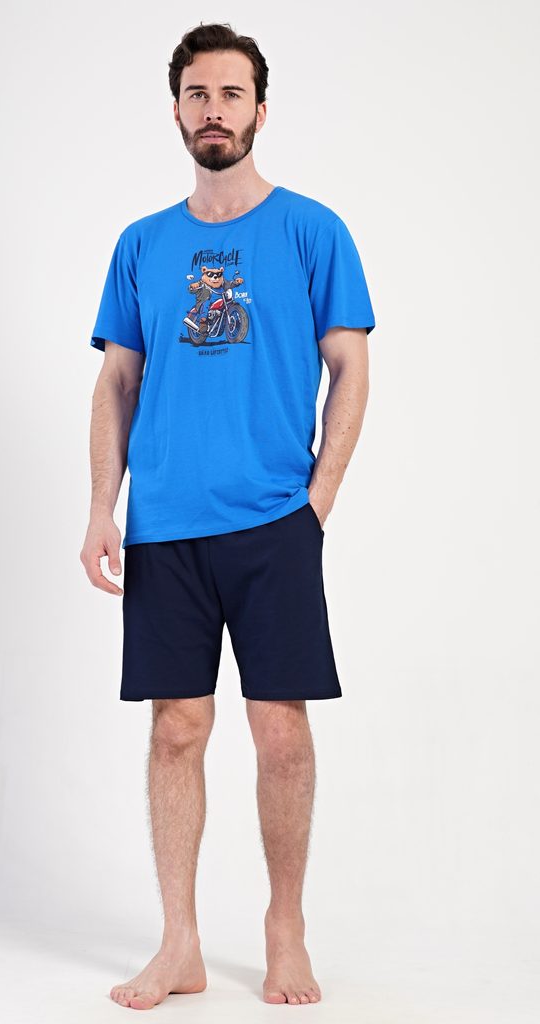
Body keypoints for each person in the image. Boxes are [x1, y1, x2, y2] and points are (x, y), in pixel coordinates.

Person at [80, 21, 376, 1011]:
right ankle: (180, 945)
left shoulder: (312, 231)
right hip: (165, 525)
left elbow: (351, 367)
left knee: (280, 734)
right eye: (198, 93)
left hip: (273, 521)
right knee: (177, 731)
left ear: (260, 110)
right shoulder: (142, 244)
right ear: (176, 110)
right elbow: (117, 383)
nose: (214, 109)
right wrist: (101, 507)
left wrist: (316, 501)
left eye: (232, 93)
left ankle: (285, 926)